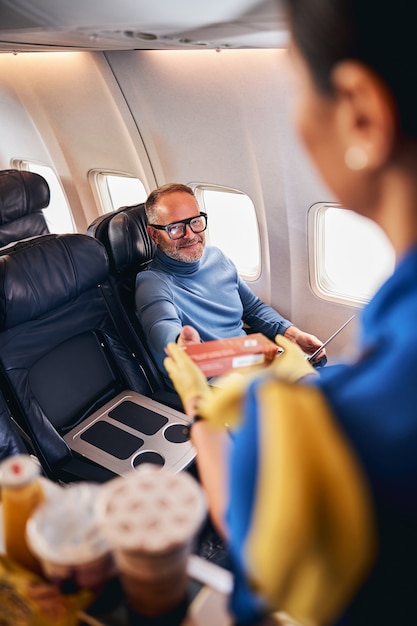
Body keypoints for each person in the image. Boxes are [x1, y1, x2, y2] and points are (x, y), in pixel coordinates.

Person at [163, 1, 417, 625]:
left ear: (360, 114)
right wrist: (244, 363)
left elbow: (253, 528)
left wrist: (273, 339)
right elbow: (176, 340)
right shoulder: (152, 288)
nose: (191, 233)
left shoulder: (341, 429)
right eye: (175, 226)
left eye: (297, 86)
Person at [135, 182, 325, 387]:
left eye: (195, 222)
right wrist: (179, 344)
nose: (190, 235)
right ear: (154, 235)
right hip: (213, 381)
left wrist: (291, 333)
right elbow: (160, 326)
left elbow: (252, 308)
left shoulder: (217, 258)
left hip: (249, 362)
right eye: (175, 228)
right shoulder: (152, 283)